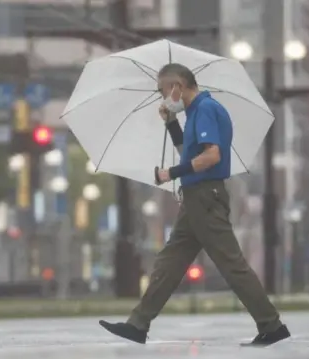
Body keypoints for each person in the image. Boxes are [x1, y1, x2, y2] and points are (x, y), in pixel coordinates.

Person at [99, 63, 290, 347]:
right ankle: (138, 324)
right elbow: (188, 153)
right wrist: (171, 123)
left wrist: (169, 174)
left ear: (177, 86)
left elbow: (211, 156)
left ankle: (271, 325)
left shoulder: (205, 109)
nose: (163, 97)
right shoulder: (194, 114)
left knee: (231, 264)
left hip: (205, 197)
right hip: (196, 198)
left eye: (163, 91)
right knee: (170, 262)